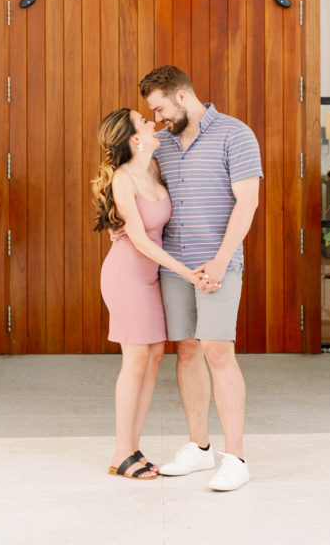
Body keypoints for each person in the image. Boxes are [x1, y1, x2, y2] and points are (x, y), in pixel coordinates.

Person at [139, 65, 262, 493]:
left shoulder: (235, 134)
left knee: (218, 351)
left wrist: (220, 260)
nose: (157, 119)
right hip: (176, 266)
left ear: (182, 96)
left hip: (220, 266)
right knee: (187, 351)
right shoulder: (164, 146)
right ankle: (199, 448)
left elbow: (247, 203)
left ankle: (236, 458)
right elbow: (146, 192)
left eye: (160, 109)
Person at [93, 107, 206, 481]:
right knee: (135, 362)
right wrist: (186, 272)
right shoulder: (123, 179)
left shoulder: (154, 169)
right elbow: (139, 239)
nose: (153, 123)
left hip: (151, 277)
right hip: (127, 277)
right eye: (144, 121)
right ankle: (120, 453)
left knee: (154, 357)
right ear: (134, 139)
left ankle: (132, 446)